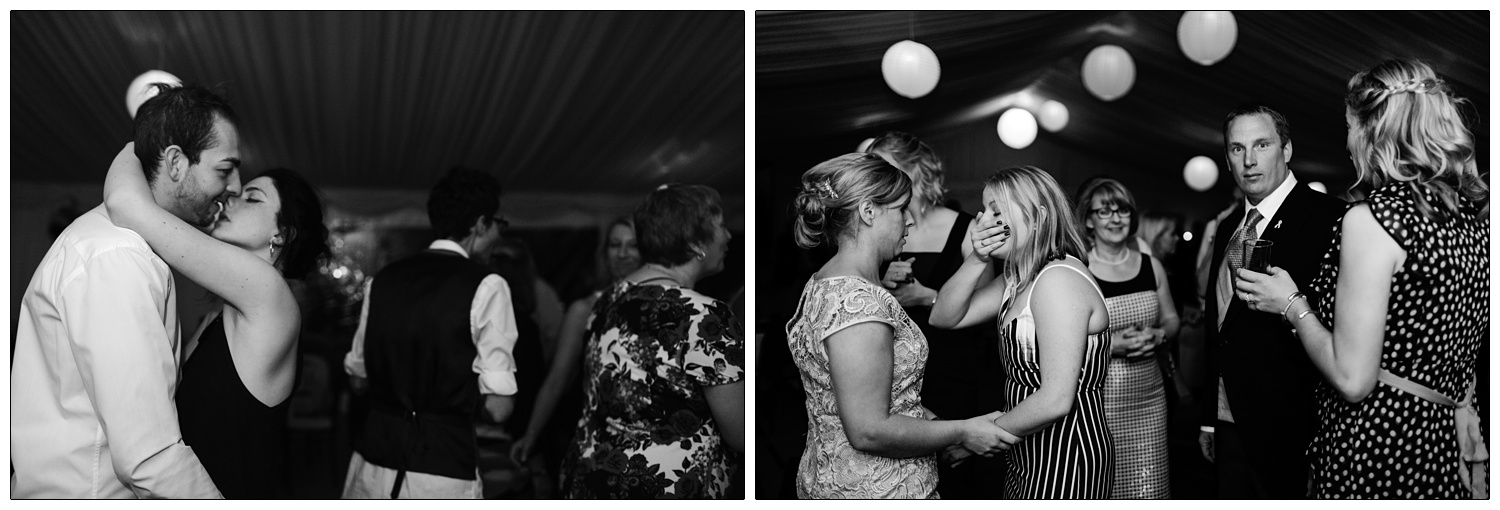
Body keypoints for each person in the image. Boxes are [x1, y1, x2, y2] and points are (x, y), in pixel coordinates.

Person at [1235, 59, 1488, 499]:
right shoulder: (1474, 216)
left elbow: (1353, 381)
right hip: (1443, 437)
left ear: (1374, 132)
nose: (1349, 141)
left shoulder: (1374, 219)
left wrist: (1292, 303)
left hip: (1379, 444)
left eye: (1351, 126)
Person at [12, 84, 240, 499]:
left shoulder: (120, 244)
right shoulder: (117, 256)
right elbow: (149, 458)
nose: (234, 186)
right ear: (175, 162)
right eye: (224, 170)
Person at [788, 153, 1018, 499]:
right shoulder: (856, 302)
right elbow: (869, 431)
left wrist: (937, 427)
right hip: (876, 490)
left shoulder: (824, 282)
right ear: (868, 212)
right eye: (900, 209)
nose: (909, 221)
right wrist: (963, 430)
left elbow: (882, 396)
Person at [108, 147, 330, 498]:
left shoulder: (271, 294)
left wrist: (146, 141)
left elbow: (124, 202)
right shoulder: (221, 314)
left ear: (282, 233)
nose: (230, 201)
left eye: (252, 199)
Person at [932, 165, 1113, 499]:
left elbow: (1056, 399)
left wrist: (979, 438)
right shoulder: (1019, 276)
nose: (984, 221)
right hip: (1026, 446)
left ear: (1038, 217)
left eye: (997, 211)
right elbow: (945, 317)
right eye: (983, 211)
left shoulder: (1058, 280)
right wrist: (976, 257)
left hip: (1066, 452)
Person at [342, 167, 519, 499]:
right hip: (441, 472)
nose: (499, 234)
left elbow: (357, 379)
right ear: (480, 223)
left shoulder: (385, 279)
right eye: (499, 224)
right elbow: (499, 408)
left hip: (373, 465)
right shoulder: (488, 285)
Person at [1200, 103, 1347, 498]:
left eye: (1262, 145)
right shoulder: (1229, 223)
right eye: (1236, 149)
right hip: (1229, 416)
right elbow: (1218, 326)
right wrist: (1209, 419)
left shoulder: (1333, 218)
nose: (1248, 160)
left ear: (1287, 150)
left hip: (1295, 424)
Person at [559, 184, 744, 498]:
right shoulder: (704, 315)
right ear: (697, 242)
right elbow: (740, 433)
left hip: (589, 479)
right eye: (720, 225)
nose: (727, 236)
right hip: (663, 489)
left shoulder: (606, 301)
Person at [865, 132, 1004, 499]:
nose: (876, 176)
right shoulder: (877, 228)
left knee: (956, 476)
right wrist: (881, 281)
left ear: (916, 170)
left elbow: (985, 309)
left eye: (884, 166)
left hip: (954, 367)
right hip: (893, 366)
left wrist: (927, 297)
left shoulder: (964, 227)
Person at [509, 217, 642, 497]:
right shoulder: (585, 309)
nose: (622, 253)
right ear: (604, 254)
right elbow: (556, 379)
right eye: (615, 245)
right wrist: (530, 437)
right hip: (599, 440)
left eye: (632, 245)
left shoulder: (668, 307)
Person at [1075, 178, 1177, 499]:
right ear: (1089, 220)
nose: (1115, 219)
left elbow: (1172, 319)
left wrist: (1159, 334)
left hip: (1150, 395)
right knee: (1105, 483)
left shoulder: (1152, 265)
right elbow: (1061, 340)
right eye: (1104, 211)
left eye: (1122, 210)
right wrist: (1111, 345)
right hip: (1099, 399)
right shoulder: (1079, 269)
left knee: (1150, 484)